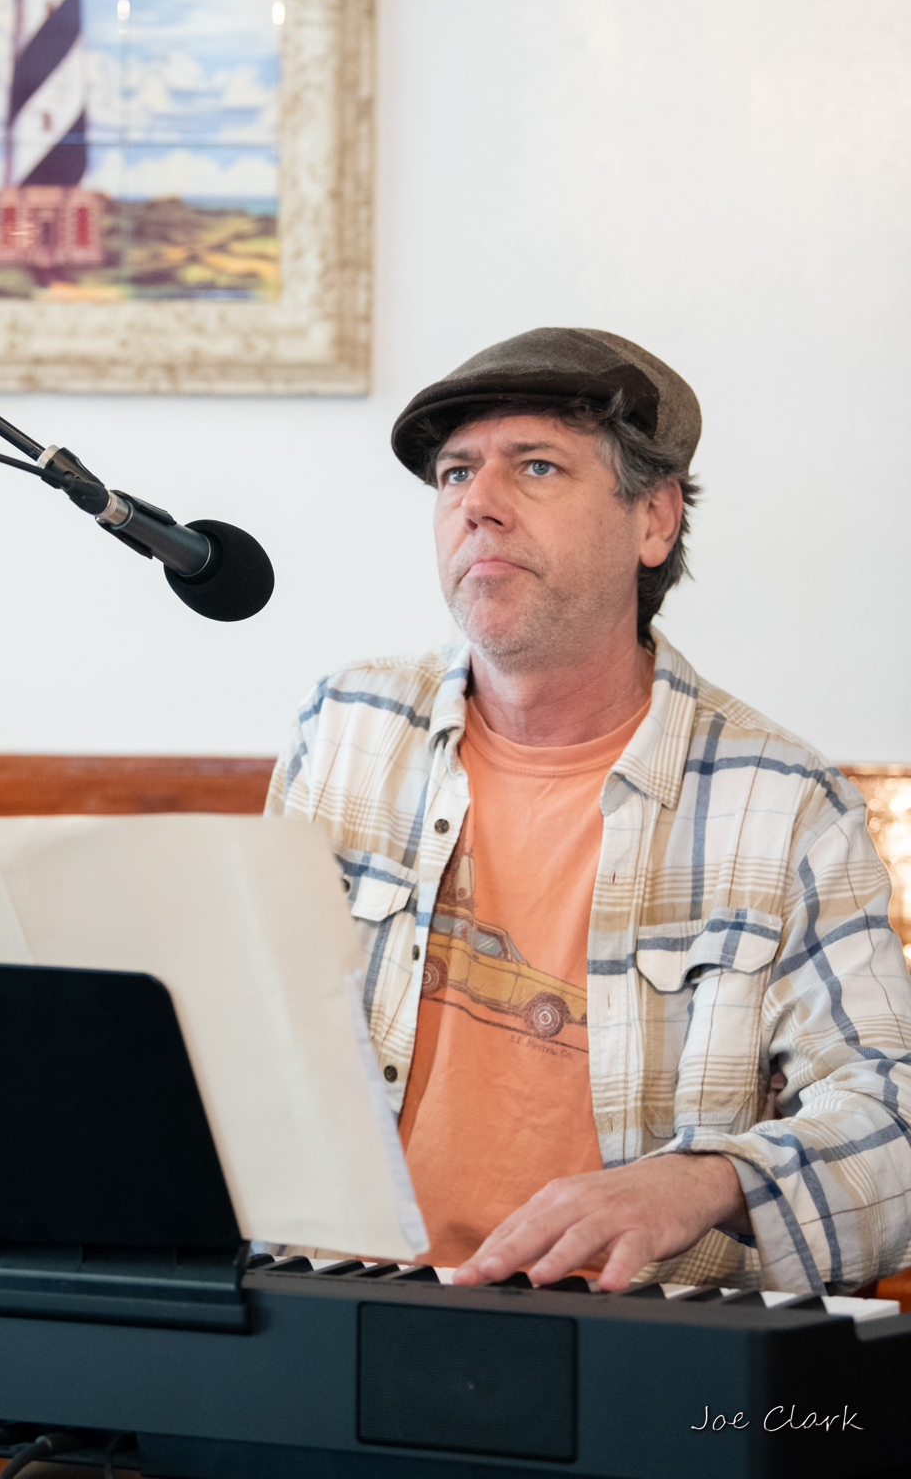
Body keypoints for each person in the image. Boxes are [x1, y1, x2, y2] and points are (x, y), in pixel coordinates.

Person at [267, 327, 911, 1294]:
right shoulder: (346, 728)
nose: (477, 505)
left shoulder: (782, 803)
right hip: (322, 1304)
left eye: (534, 467)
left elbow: (894, 1122)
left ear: (653, 520)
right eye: (453, 476)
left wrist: (698, 1184)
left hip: (622, 1346)